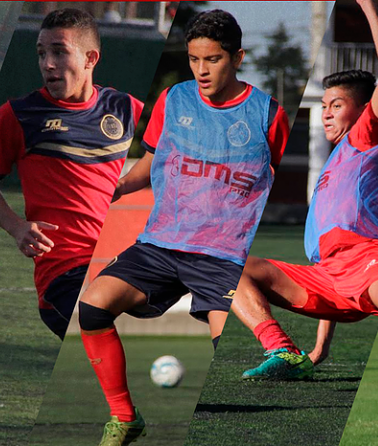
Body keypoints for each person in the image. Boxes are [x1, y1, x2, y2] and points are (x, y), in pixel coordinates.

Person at [74, 9, 288, 446]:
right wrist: (112, 190)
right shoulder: (174, 100)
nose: (201, 69)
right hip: (161, 242)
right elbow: (151, 163)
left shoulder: (269, 114)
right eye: (194, 59)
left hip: (222, 253)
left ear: (238, 57)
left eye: (212, 59)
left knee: (222, 349)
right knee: (93, 307)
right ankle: (124, 417)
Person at [229, 0, 378, 380]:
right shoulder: (335, 161)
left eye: (336, 105)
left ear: (363, 110)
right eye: (324, 105)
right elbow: (329, 263)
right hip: (327, 278)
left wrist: (368, 7)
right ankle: (283, 350)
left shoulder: (368, 135)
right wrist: (320, 350)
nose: (325, 112)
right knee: (229, 268)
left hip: (369, 263)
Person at [0, 8, 143, 339]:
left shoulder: (126, 109)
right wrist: (16, 227)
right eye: (41, 53)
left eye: (59, 52)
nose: (47, 63)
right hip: (64, 275)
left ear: (91, 58)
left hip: (119, 263)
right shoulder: (18, 116)